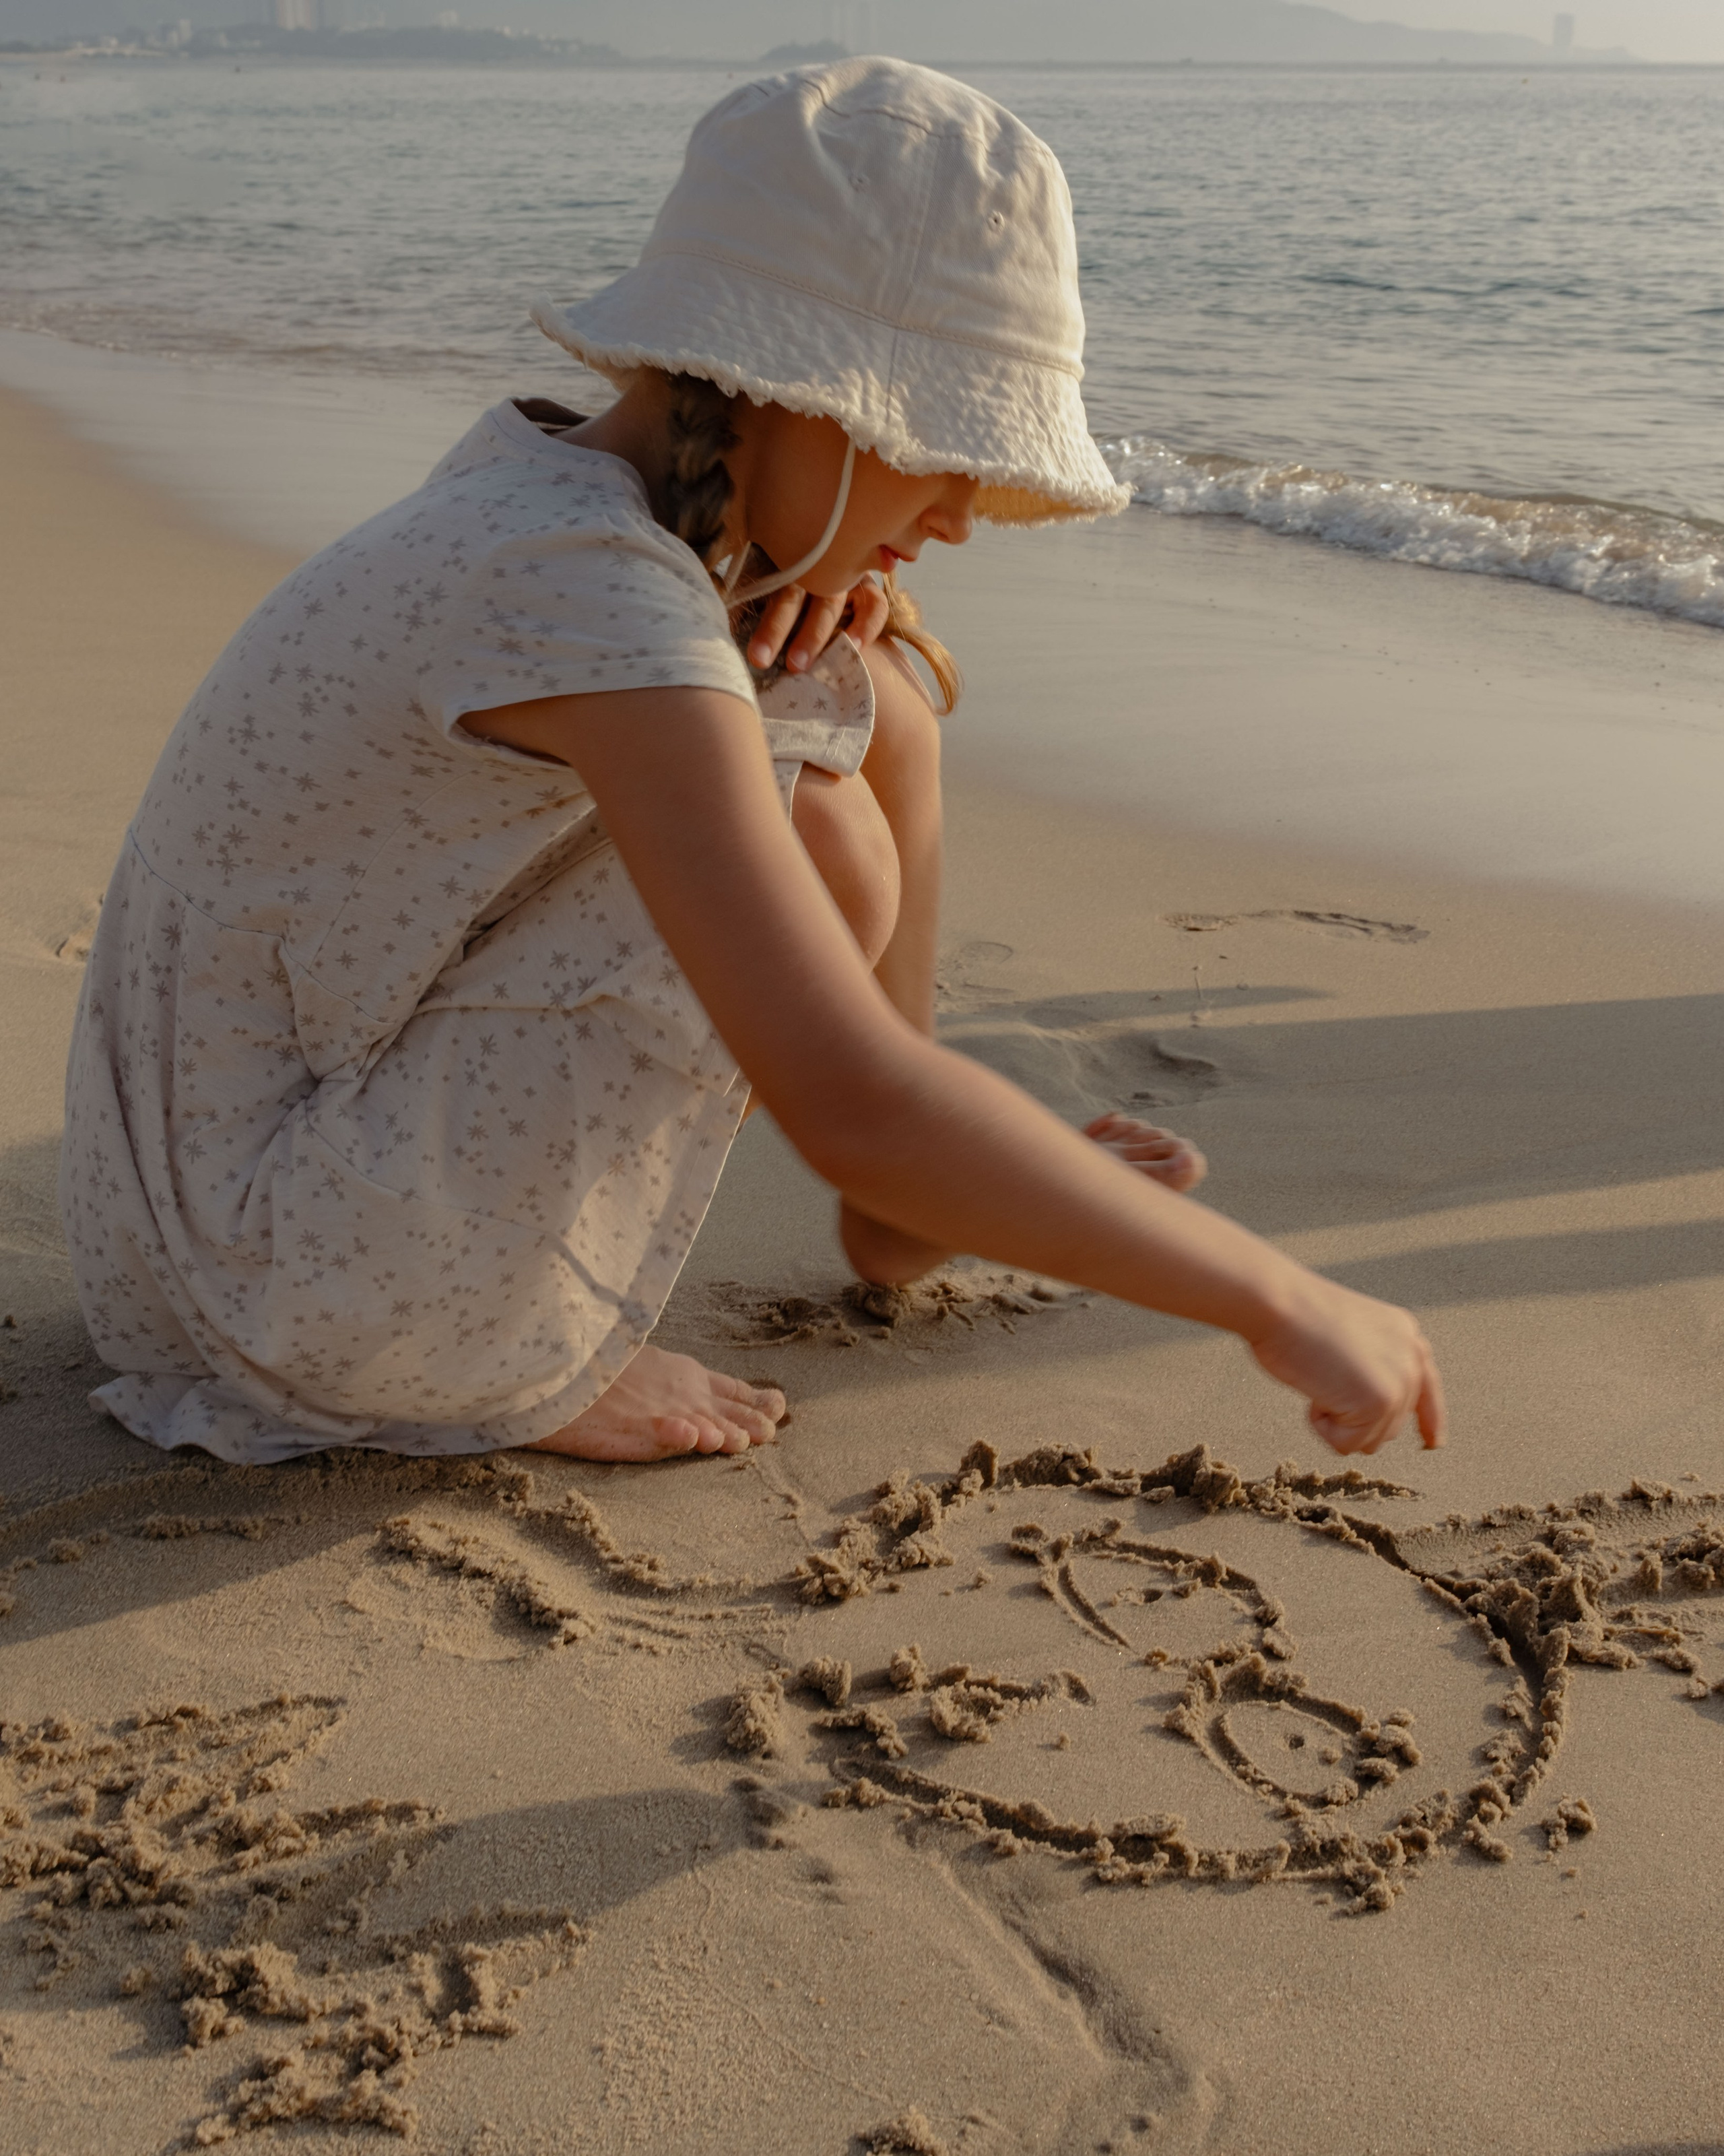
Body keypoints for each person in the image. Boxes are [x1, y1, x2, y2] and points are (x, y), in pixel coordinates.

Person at [59, 57, 1443, 1470]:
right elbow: (848, 1101)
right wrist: (1276, 1297)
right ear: (803, 396)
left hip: (178, 1221)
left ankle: (906, 1211)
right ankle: (501, 1358)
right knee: (821, 822)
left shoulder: (540, 493)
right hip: (275, 1278)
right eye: (937, 442)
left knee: (872, 705)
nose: (962, 509)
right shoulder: (590, 589)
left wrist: (838, 653)